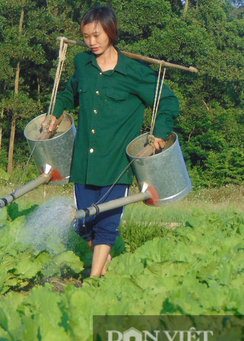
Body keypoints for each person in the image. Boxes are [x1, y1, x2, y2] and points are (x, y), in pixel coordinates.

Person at [42, 6, 179, 278]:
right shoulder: (83, 63)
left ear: (111, 32)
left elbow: (167, 100)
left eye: (97, 35)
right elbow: (69, 93)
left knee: (106, 224)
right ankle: (104, 266)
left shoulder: (135, 73)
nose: (91, 42)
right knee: (83, 224)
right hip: (84, 160)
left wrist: (160, 132)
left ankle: (93, 281)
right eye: (85, 36)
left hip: (116, 163)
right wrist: (55, 114)